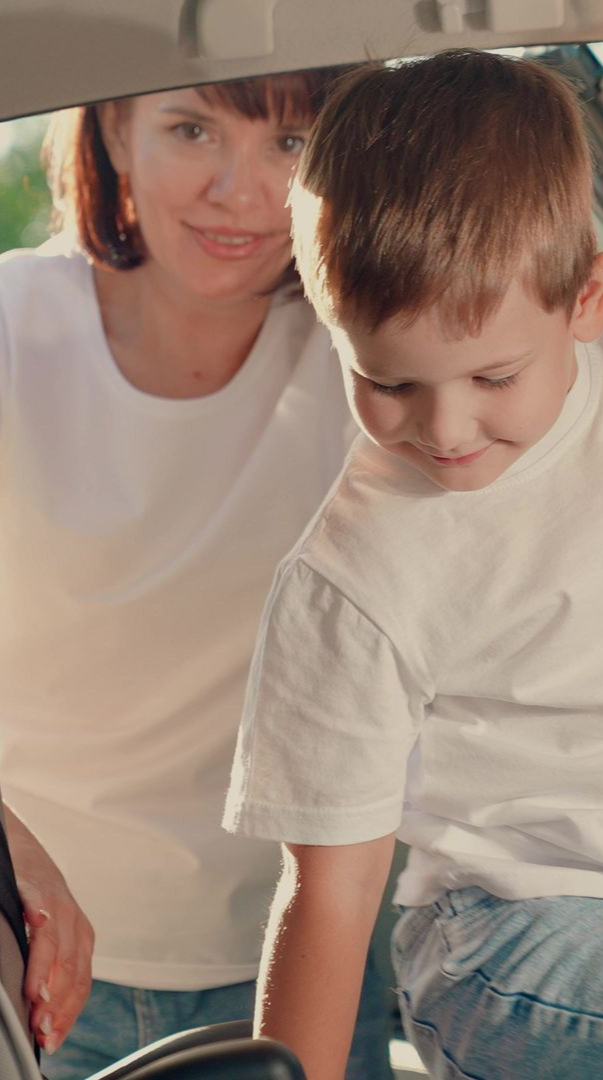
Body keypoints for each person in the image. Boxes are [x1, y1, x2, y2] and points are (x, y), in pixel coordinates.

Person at [0, 71, 394, 1078]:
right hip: (34, 954)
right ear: (113, 127)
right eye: (193, 129)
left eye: (289, 145)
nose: (240, 193)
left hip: (298, 958)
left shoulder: (364, 351)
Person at [223, 48, 603, 1080]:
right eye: (385, 381)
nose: (445, 429)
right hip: (499, 936)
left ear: (586, 302)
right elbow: (330, 890)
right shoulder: (353, 578)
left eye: (493, 374)